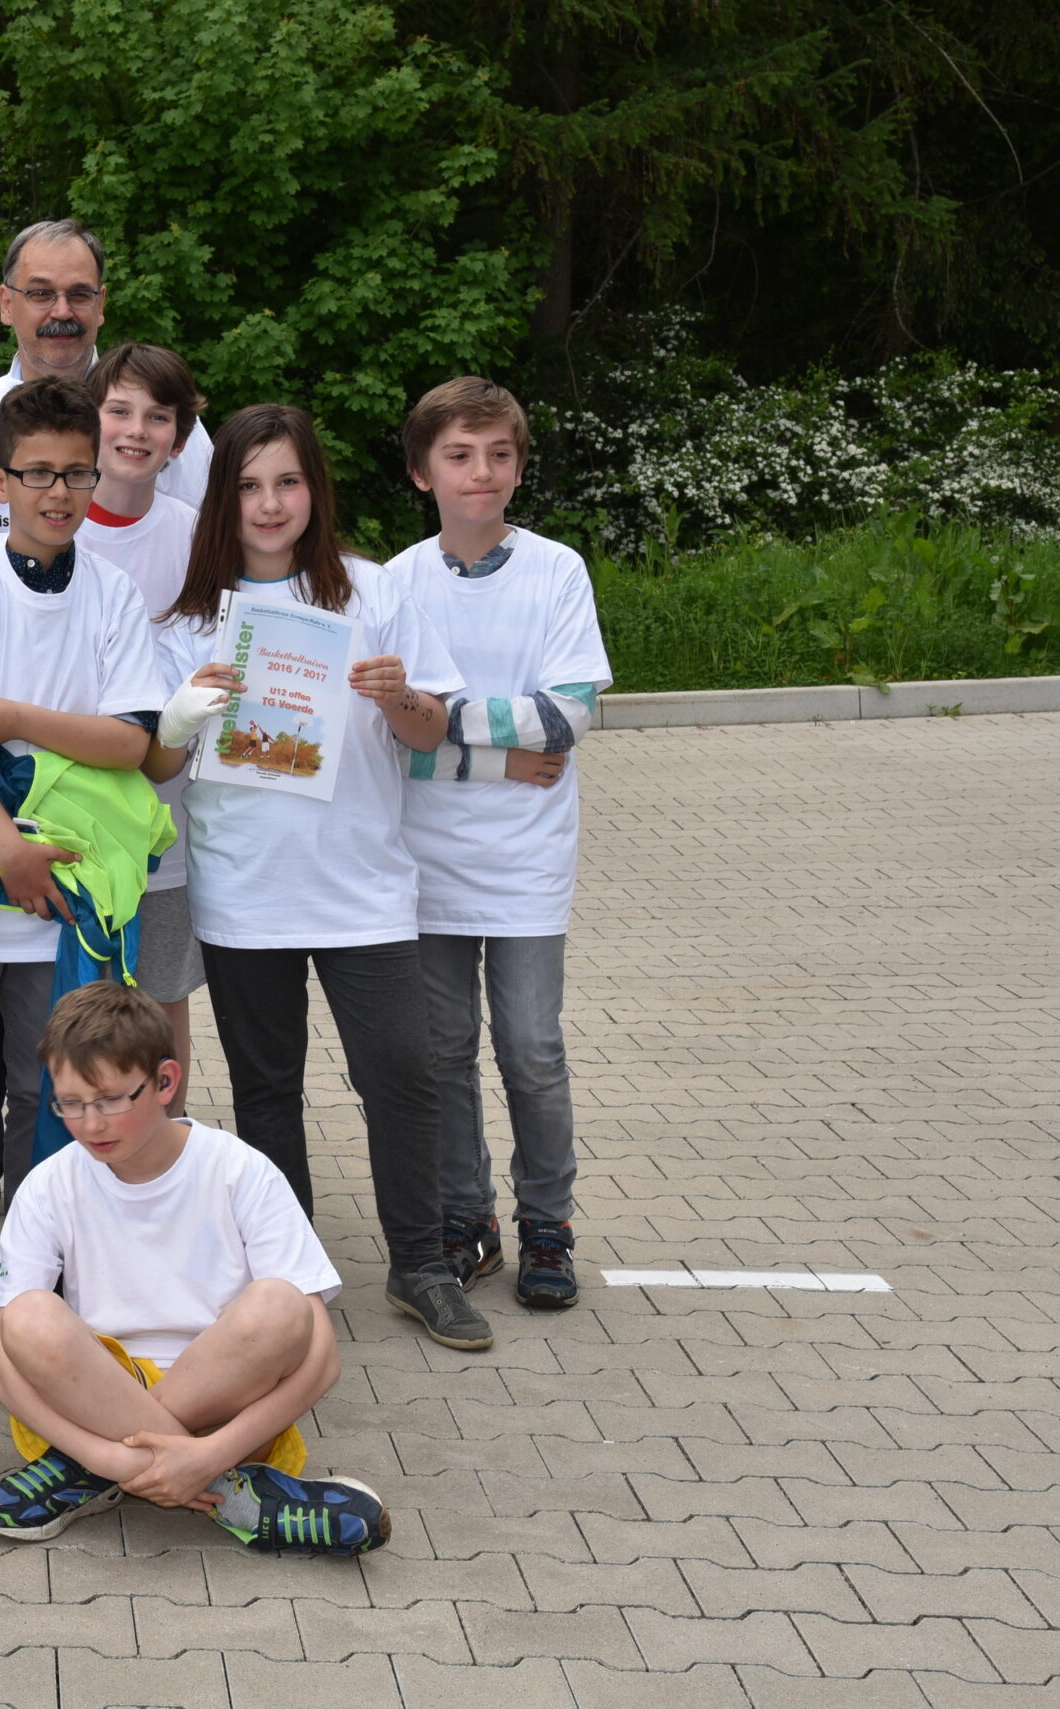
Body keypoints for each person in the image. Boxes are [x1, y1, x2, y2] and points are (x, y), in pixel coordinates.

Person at [142, 403, 494, 1352]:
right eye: (249, 485)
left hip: (363, 889)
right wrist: (179, 716)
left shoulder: (373, 591)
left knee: (404, 1074)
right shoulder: (189, 619)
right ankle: (287, 1275)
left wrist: (400, 695)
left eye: (288, 482)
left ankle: (421, 1266)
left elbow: (431, 731)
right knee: (267, 1091)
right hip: (244, 890)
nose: (270, 503)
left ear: (315, 490)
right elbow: (158, 765)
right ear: (222, 499)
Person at [0, 375, 168, 1330]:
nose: (58, 492)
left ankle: (33, 1265)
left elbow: (129, 741)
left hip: (67, 898)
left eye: (75, 473)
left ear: (97, 476)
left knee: (46, 1091)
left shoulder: (113, 594)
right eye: (37, 473)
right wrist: (7, 847)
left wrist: (14, 717)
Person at [0, 983, 387, 1555]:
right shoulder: (49, 1183)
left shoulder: (241, 1170)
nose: (90, 1124)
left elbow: (321, 1358)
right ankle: (231, 1493)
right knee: (25, 1316)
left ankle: (80, 1477)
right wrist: (110, 1456)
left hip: (227, 1404)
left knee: (282, 1304)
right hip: (94, 1395)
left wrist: (212, 1450)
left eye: (110, 1100)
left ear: (166, 1082)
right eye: (69, 1103)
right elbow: (0, 1368)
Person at [389, 376, 613, 1311]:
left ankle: (546, 1223)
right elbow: (388, 737)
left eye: (498, 454)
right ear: (422, 472)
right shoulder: (395, 583)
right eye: (458, 455)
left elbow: (566, 717)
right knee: (442, 1051)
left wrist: (440, 719)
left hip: (526, 861)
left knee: (531, 1048)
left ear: (519, 467)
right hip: (425, 861)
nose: (480, 472)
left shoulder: (557, 571)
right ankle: (464, 1218)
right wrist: (496, 756)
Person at [81, 342, 208, 1109]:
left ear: (181, 438)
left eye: (157, 416)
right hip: (72, 827)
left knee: (161, 997)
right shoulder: (53, 529)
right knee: (72, 1002)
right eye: (118, 410)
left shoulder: (200, 535)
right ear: (88, 419)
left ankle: (171, 1136)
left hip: (167, 821)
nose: (136, 430)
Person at [0, 219, 216, 545]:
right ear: (6, 304)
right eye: (41, 294)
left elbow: (213, 540)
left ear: (100, 304)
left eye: (79, 294)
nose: (61, 311)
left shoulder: (162, 425)